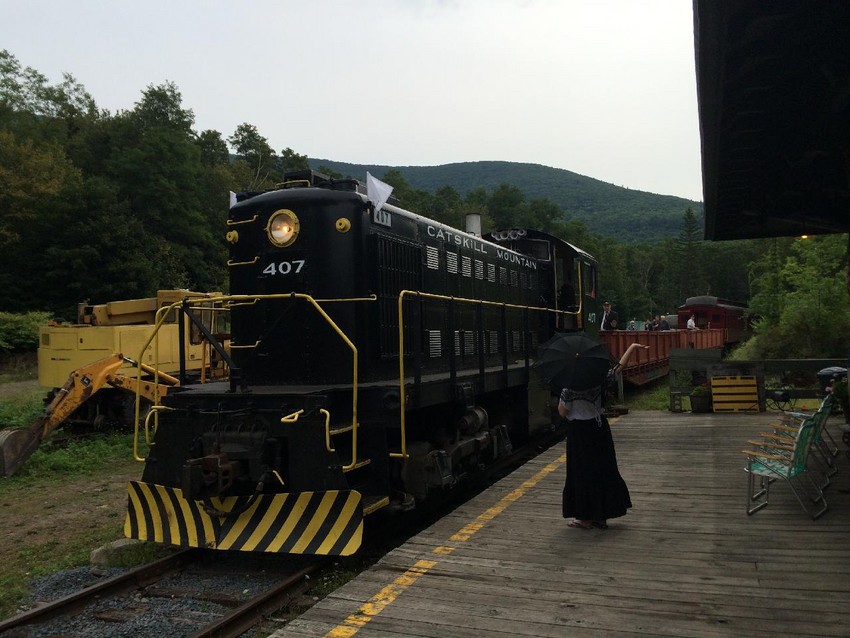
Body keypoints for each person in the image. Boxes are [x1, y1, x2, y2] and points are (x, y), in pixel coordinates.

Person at [558, 342, 649, 530]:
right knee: (603, 469)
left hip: (579, 433)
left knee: (581, 473)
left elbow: (563, 412)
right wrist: (632, 347)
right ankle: (601, 516)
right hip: (599, 429)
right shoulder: (600, 379)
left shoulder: (569, 387)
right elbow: (619, 368)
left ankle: (584, 518)